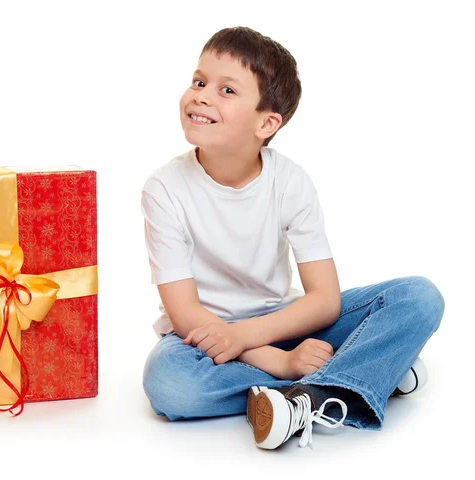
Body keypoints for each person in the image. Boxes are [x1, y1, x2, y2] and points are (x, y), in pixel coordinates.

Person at [140, 26, 445, 450]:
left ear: (266, 123)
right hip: (203, 338)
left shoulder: (290, 182)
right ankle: (356, 376)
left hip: (282, 321)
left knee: (418, 296)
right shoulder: (164, 188)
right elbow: (185, 312)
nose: (202, 95)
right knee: (169, 383)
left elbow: (324, 299)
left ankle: (309, 395)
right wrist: (281, 363)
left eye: (226, 90)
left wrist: (256, 339)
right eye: (199, 81)